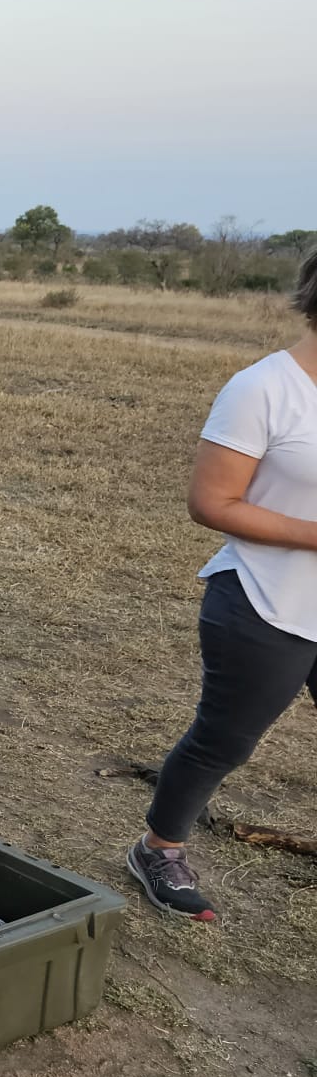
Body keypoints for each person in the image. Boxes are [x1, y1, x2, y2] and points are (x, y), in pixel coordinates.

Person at [128, 247, 317, 922]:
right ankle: (159, 848)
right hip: (265, 603)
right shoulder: (263, 389)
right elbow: (214, 503)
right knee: (225, 741)